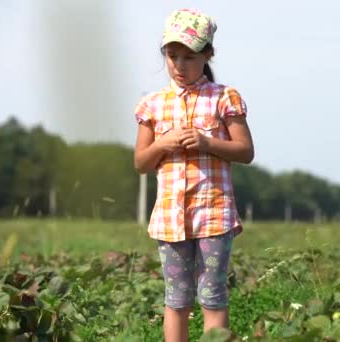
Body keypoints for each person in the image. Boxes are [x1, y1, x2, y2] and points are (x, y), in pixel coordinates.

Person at [133, 8, 254, 342]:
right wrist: (163, 144)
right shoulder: (153, 104)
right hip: (171, 219)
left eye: (189, 57)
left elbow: (245, 151)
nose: (179, 65)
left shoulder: (224, 97)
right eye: (172, 56)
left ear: (208, 54)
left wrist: (206, 142)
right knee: (176, 300)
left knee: (212, 296)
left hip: (214, 215)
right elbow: (141, 163)